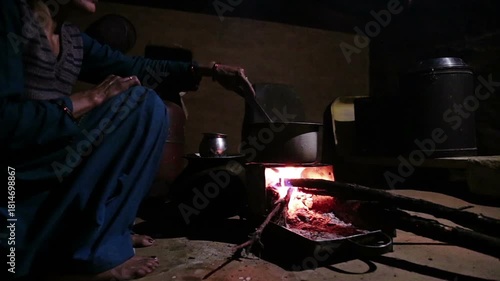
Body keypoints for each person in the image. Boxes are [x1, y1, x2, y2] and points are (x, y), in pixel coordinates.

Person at [0, 0, 254, 280]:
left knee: (149, 102)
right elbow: (6, 121)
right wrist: (85, 100)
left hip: (57, 153)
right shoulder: (12, 18)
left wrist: (211, 71)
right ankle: (94, 255)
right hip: (19, 167)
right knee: (141, 104)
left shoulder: (71, 39)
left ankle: (108, 230)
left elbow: (134, 66)